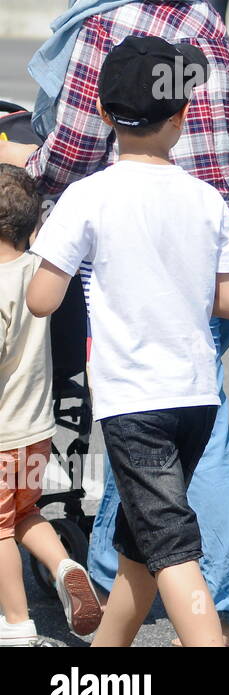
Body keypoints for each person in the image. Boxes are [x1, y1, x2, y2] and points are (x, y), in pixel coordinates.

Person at [0, 0, 229, 643]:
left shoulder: (102, 22)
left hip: (151, 264)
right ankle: (104, 590)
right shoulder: (204, 18)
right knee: (168, 426)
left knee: (195, 430)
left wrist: (17, 158)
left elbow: (62, 161)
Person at [27, 35, 229, 647]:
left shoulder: (88, 196)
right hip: (196, 398)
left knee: (171, 546)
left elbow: (42, 298)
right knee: (138, 549)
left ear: (101, 114)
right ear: (180, 119)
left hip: (134, 403)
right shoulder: (207, 200)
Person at [0, 165, 102, 646]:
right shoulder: (39, 274)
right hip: (37, 430)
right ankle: (63, 567)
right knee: (25, 513)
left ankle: (17, 625)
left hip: (1, 434)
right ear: (34, 227)